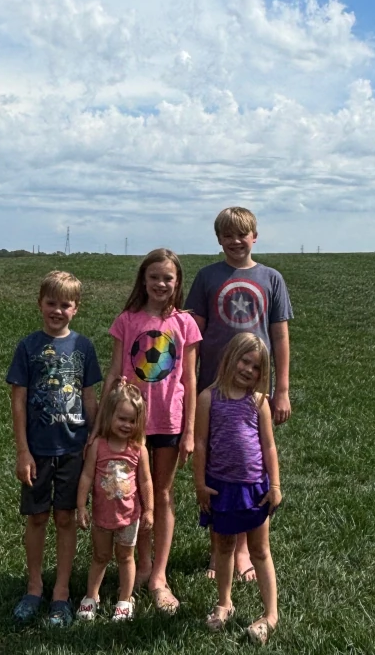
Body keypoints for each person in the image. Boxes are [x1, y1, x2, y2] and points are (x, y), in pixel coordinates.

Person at [186, 206, 293, 582]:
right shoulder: (206, 277)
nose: (235, 241)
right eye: (227, 235)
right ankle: (220, 549)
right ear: (218, 239)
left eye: (242, 234)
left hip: (255, 393)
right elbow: (193, 337)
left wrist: (281, 389)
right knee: (217, 464)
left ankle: (246, 549)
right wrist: (191, 383)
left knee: (251, 464)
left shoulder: (271, 278)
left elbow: (279, 335)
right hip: (213, 390)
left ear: (255, 236)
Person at [102, 248, 200, 612]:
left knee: (161, 493)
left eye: (168, 278)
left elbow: (189, 378)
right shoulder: (126, 321)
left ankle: (160, 574)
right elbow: (115, 372)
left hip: (170, 423)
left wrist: (189, 431)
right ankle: (141, 565)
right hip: (132, 424)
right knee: (136, 496)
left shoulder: (186, 324)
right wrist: (102, 421)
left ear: (177, 283)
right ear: (143, 280)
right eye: (154, 277)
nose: (161, 283)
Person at [7, 270, 101, 629]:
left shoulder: (84, 347)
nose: (57, 311)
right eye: (51, 303)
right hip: (38, 450)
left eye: (65, 305)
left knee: (65, 517)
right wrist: (23, 451)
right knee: (37, 517)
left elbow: (89, 396)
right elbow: (18, 402)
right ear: (39, 304)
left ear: (76, 308)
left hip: (74, 449)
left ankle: (61, 592)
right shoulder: (28, 347)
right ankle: (34, 586)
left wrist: (93, 437)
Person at [194, 333, 282, 645]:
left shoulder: (259, 402)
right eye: (244, 361)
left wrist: (275, 485)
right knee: (223, 548)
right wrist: (200, 484)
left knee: (259, 549)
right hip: (220, 488)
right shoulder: (208, 398)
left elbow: (269, 447)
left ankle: (271, 613)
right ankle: (224, 603)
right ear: (230, 358)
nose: (248, 369)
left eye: (256, 367)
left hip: (255, 488)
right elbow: (201, 443)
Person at [75, 380, 154, 623]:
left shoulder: (138, 449)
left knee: (126, 557)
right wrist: (81, 506)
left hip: (129, 517)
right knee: (100, 556)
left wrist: (149, 510)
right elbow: (87, 475)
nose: (127, 425)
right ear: (109, 416)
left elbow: (146, 481)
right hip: (102, 515)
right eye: (122, 418)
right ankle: (91, 596)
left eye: (132, 421)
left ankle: (124, 599)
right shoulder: (98, 446)